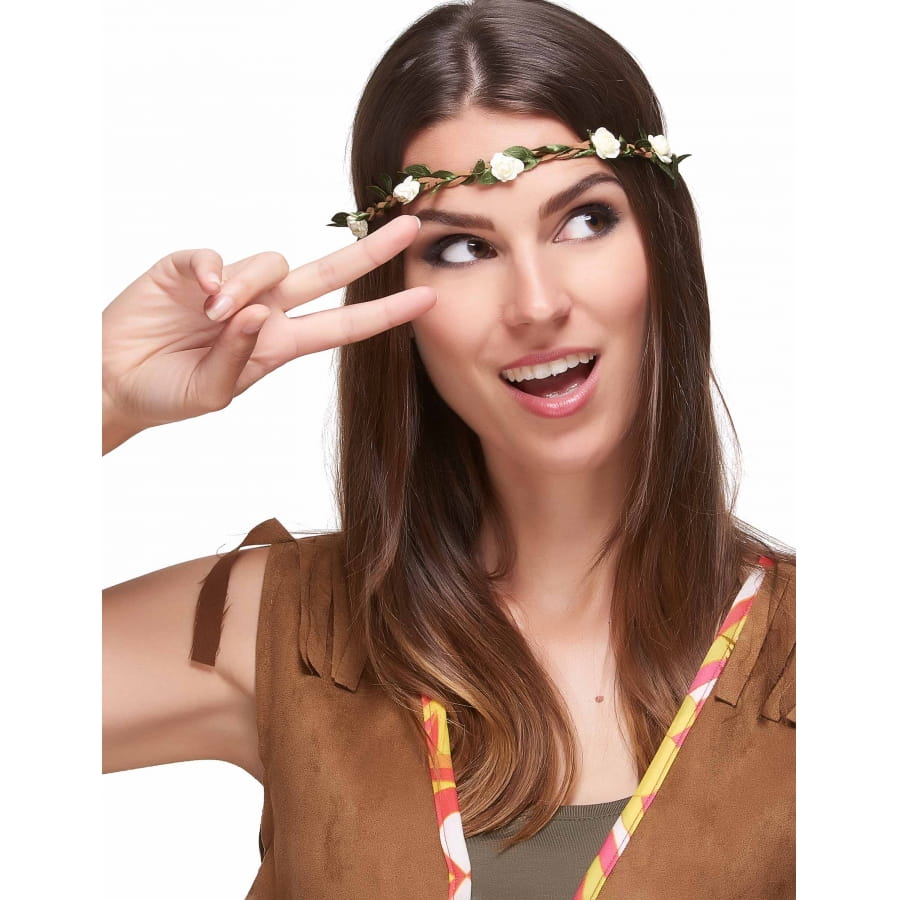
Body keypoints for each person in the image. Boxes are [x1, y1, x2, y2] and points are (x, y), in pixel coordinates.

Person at [102, 0, 795, 897]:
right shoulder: (281, 633)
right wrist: (92, 398)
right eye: (464, 248)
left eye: (585, 220)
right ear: (395, 300)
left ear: (664, 245)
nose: (536, 303)